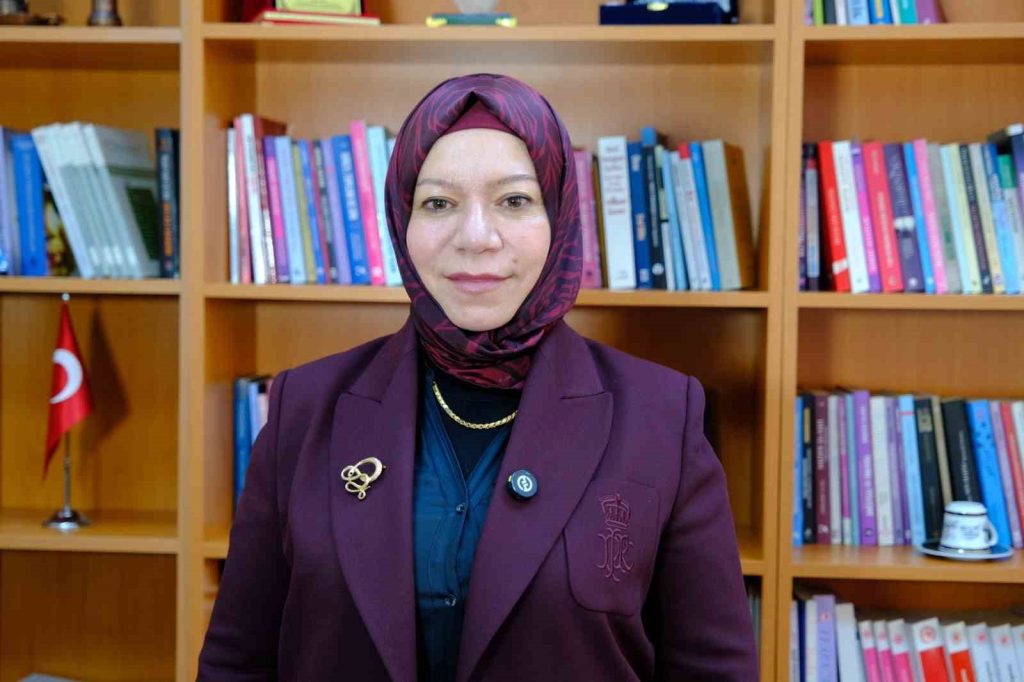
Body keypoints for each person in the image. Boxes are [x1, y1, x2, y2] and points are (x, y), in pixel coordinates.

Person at [197, 73, 758, 681]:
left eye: (514, 201)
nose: (476, 238)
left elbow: (714, 671)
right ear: (401, 220)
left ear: (560, 217)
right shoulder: (305, 407)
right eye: (438, 203)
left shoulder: (662, 415)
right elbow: (237, 663)